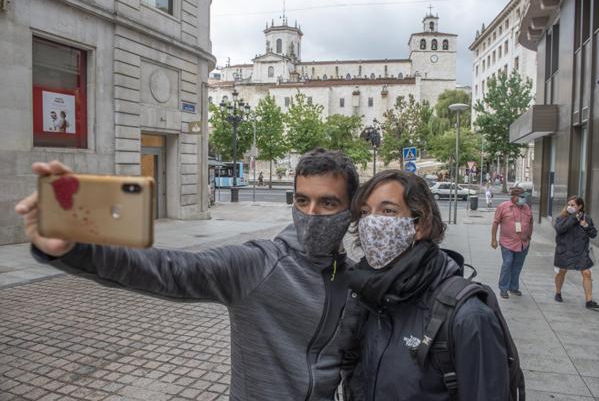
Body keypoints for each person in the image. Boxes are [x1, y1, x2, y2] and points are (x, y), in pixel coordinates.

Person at [15, 149, 363, 401]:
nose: (312, 214)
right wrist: (77, 249)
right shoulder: (259, 264)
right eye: (302, 201)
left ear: (350, 210)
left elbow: (346, 365)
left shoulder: (354, 282)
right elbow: (171, 270)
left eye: (327, 203)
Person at [347, 170, 509, 400]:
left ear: (420, 225)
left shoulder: (468, 316)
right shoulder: (367, 294)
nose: (371, 222)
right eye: (365, 212)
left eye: (388, 211)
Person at [554, 196, 599, 310]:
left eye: (573, 205)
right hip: (565, 250)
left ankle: (589, 300)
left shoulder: (586, 218)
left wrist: (585, 225)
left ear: (580, 206)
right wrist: (573, 218)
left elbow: (593, 234)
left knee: (587, 273)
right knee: (562, 271)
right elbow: (560, 229)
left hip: (581, 252)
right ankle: (558, 292)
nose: (570, 207)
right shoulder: (562, 217)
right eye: (569, 204)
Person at [491, 187, 533, 299]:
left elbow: (531, 222)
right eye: (522, 197)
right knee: (507, 263)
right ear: (514, 197)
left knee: (517, 266)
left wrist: (529, 236)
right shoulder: (503, 206)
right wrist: (493, 239)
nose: (524, 199)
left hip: (523, 243)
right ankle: (503, 288)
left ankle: (513, 287)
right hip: (507, 242)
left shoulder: (527, 208)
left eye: (524, 197)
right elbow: (495, 223)